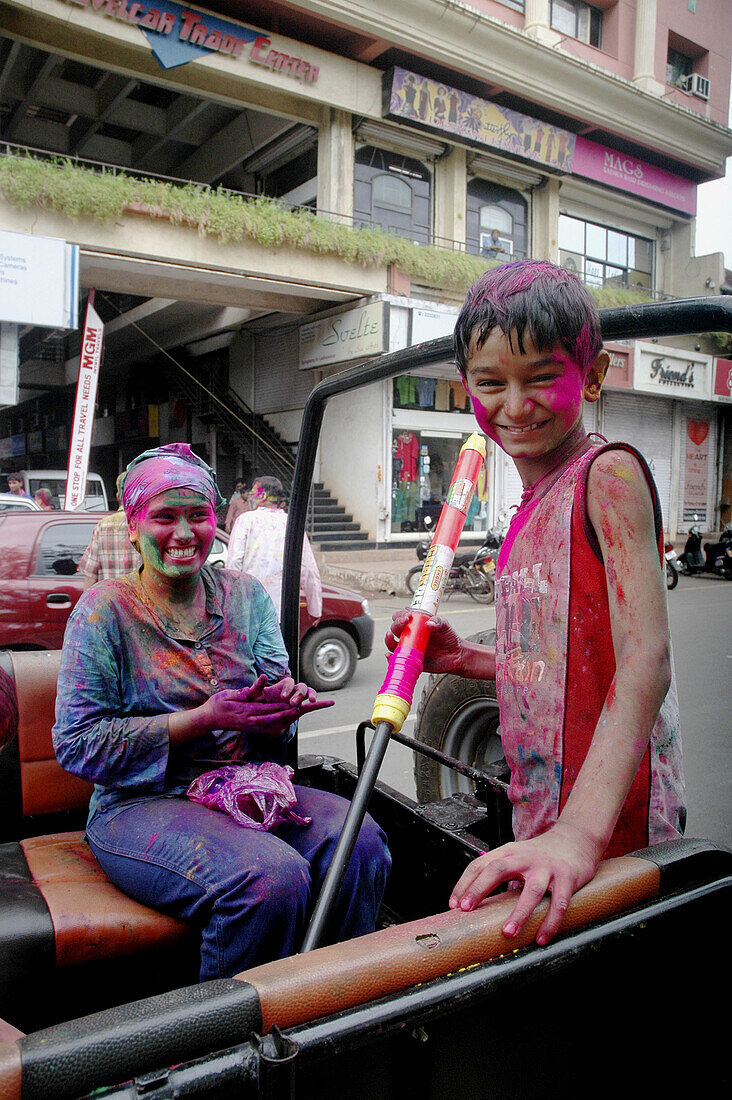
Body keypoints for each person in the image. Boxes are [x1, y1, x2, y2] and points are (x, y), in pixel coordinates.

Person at [387, 260, 684, 947]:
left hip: (614, 828)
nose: (514, 405)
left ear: (596, 374)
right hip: (544, 823)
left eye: (542, 377)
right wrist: (464, 658)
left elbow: (647, 661)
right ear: (467, 387)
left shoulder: (606, 477)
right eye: (491, 383)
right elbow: (550, 667)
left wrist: (580, 833)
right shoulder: (524, 510)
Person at [53, 443, 390, 981]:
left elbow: (274, 698)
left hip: (247, 785)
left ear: (217, 521)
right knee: (268, 878)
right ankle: (231, 1047)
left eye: (198, 516)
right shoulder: (103, 612)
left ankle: (335, 1000)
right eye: (164, 516)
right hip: (139, 805)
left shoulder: (245, 596)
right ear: (134, 527)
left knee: (362, 843)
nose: (183, 533)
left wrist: (283, 709)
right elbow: (76, 744)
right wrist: (201, 719)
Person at [226, 476, 322, 620]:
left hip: (251, 611)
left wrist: (233, 606)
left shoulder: (245, 521)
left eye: (253, 493)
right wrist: (315, 610)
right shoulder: (292, 525)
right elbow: (308, 569)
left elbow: (234, 565)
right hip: (282, 613)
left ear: (263, 496)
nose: (251, 497)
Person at [78, 472, 142, 588]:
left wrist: (86, 604)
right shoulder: (147, 525)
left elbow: (91, 575)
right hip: (140, 602)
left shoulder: (102, 527)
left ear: (118, 497)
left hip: (110, 602)